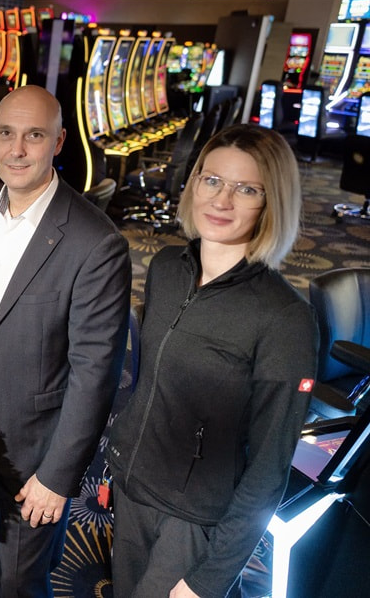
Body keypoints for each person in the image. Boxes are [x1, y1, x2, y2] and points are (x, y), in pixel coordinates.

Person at [107, 124, 318, 598]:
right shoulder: (165, 267)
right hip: (133, 490)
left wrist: (211, 576)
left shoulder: (285, 319)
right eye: (212, 180)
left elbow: (269, 468)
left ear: (271, 203)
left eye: (246, 189)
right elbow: (147, 382)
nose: (222, 200)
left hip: (195, 523)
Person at [0, 85, 131, 597]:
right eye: (5, 134)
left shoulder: (95, 242)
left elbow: (97, 372)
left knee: (17, 582)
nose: (16, 149)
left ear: (58, 142)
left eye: (33, 135)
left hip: (36, 448)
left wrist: (57, 476)